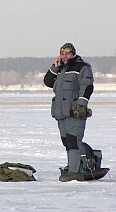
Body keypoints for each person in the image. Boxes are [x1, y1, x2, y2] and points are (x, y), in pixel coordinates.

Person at [43, 43, 94, 182]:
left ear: (73, 54)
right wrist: (55, 67)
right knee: (67, 142)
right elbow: (47, 82)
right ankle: (78, 165)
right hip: (61, 114)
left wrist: (82, 105)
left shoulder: (82, 67)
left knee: (73, 142)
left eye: (67, 53)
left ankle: (74, 171)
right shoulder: (60, 69)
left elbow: (87, 86)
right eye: (62, 53)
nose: (64, 56)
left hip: (74, 113)